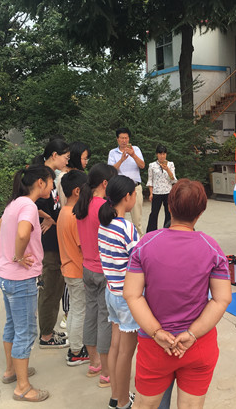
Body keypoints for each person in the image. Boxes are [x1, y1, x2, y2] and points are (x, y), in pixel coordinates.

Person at [124, 179, 232, 409]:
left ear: (170, 207)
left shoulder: (146, 244)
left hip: (155, 345)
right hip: (197, 344)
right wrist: (192, 334)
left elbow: (132, 295)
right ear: (200, 212)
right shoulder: (212, 248)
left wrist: (157, 332)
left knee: (145, 405)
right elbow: (221, 299)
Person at [0, 165, 55, 403]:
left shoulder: (15, 203)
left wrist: (10, 253)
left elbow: (1, 225)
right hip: (20, 279)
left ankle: (11, 370)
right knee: (26, 331)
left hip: (5, 275)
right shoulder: (28, 206)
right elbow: (22, 234)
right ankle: (22, 387)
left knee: (12, 325)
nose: (52, 186)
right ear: (40, 182)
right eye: (51, 182)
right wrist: (19, 256)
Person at [98, 175, 140, 409]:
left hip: (111, 292)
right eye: (134, 194)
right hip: (126, 297)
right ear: (127, 197)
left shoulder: (104, 224)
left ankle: (116, 395)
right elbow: (139, 262)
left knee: (116, 346)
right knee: (126, 351)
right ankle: (123, 401)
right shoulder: (127, 228)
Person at [74, 163, 117, 385]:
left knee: (90, 314)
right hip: (103, 270)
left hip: (87, 268)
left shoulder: (83, 204)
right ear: (105, 183)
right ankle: (106, 372)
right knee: (105, 318)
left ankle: (94, 363)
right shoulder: (103, 206)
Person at [31, 139, 71, 348]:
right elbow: (27, 201)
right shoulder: (40, 175)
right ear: (54, 155)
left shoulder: (50, 175)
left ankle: (49, 330)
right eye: (66, 157)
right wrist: (48, 217)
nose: (67, 161)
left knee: (56, 288)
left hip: (55, 240)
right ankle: (46, 336)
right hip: (48, 243)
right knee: (50, 288)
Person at [58, 170, 90, 366]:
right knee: (80, 311)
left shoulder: (63, 212)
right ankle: (76, 351)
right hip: (78, 270)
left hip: (68, 268)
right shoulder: (74, 217)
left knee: (74, 310)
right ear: (77, 191)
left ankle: (75, 345)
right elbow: (83, 246)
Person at [107, 127, 145, 237]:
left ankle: (139, 242)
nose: (124, 141)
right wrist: (121, 160)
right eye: (122, 138)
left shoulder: (136, 149)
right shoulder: (113, 152)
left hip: (135, 188)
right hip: (120, 189)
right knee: (117, 218)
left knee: (137, 221)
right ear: (117, 139)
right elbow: (111, 171)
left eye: (126, 138)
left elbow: (142, 165)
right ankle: (118, 239)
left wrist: (133, 155)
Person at [146, 144, 177, 233]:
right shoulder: (152, 165)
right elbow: (150, 180)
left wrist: (167, 169)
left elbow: (173, 179)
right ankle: (151, 232)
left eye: (164, 154)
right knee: (154, 213)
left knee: (169, 213)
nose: (162, 156)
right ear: (157, 154)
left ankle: (167, 231)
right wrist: (151, 193)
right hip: (156, 192)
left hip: (168, 192)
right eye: (160, 154)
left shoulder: (170, 164)